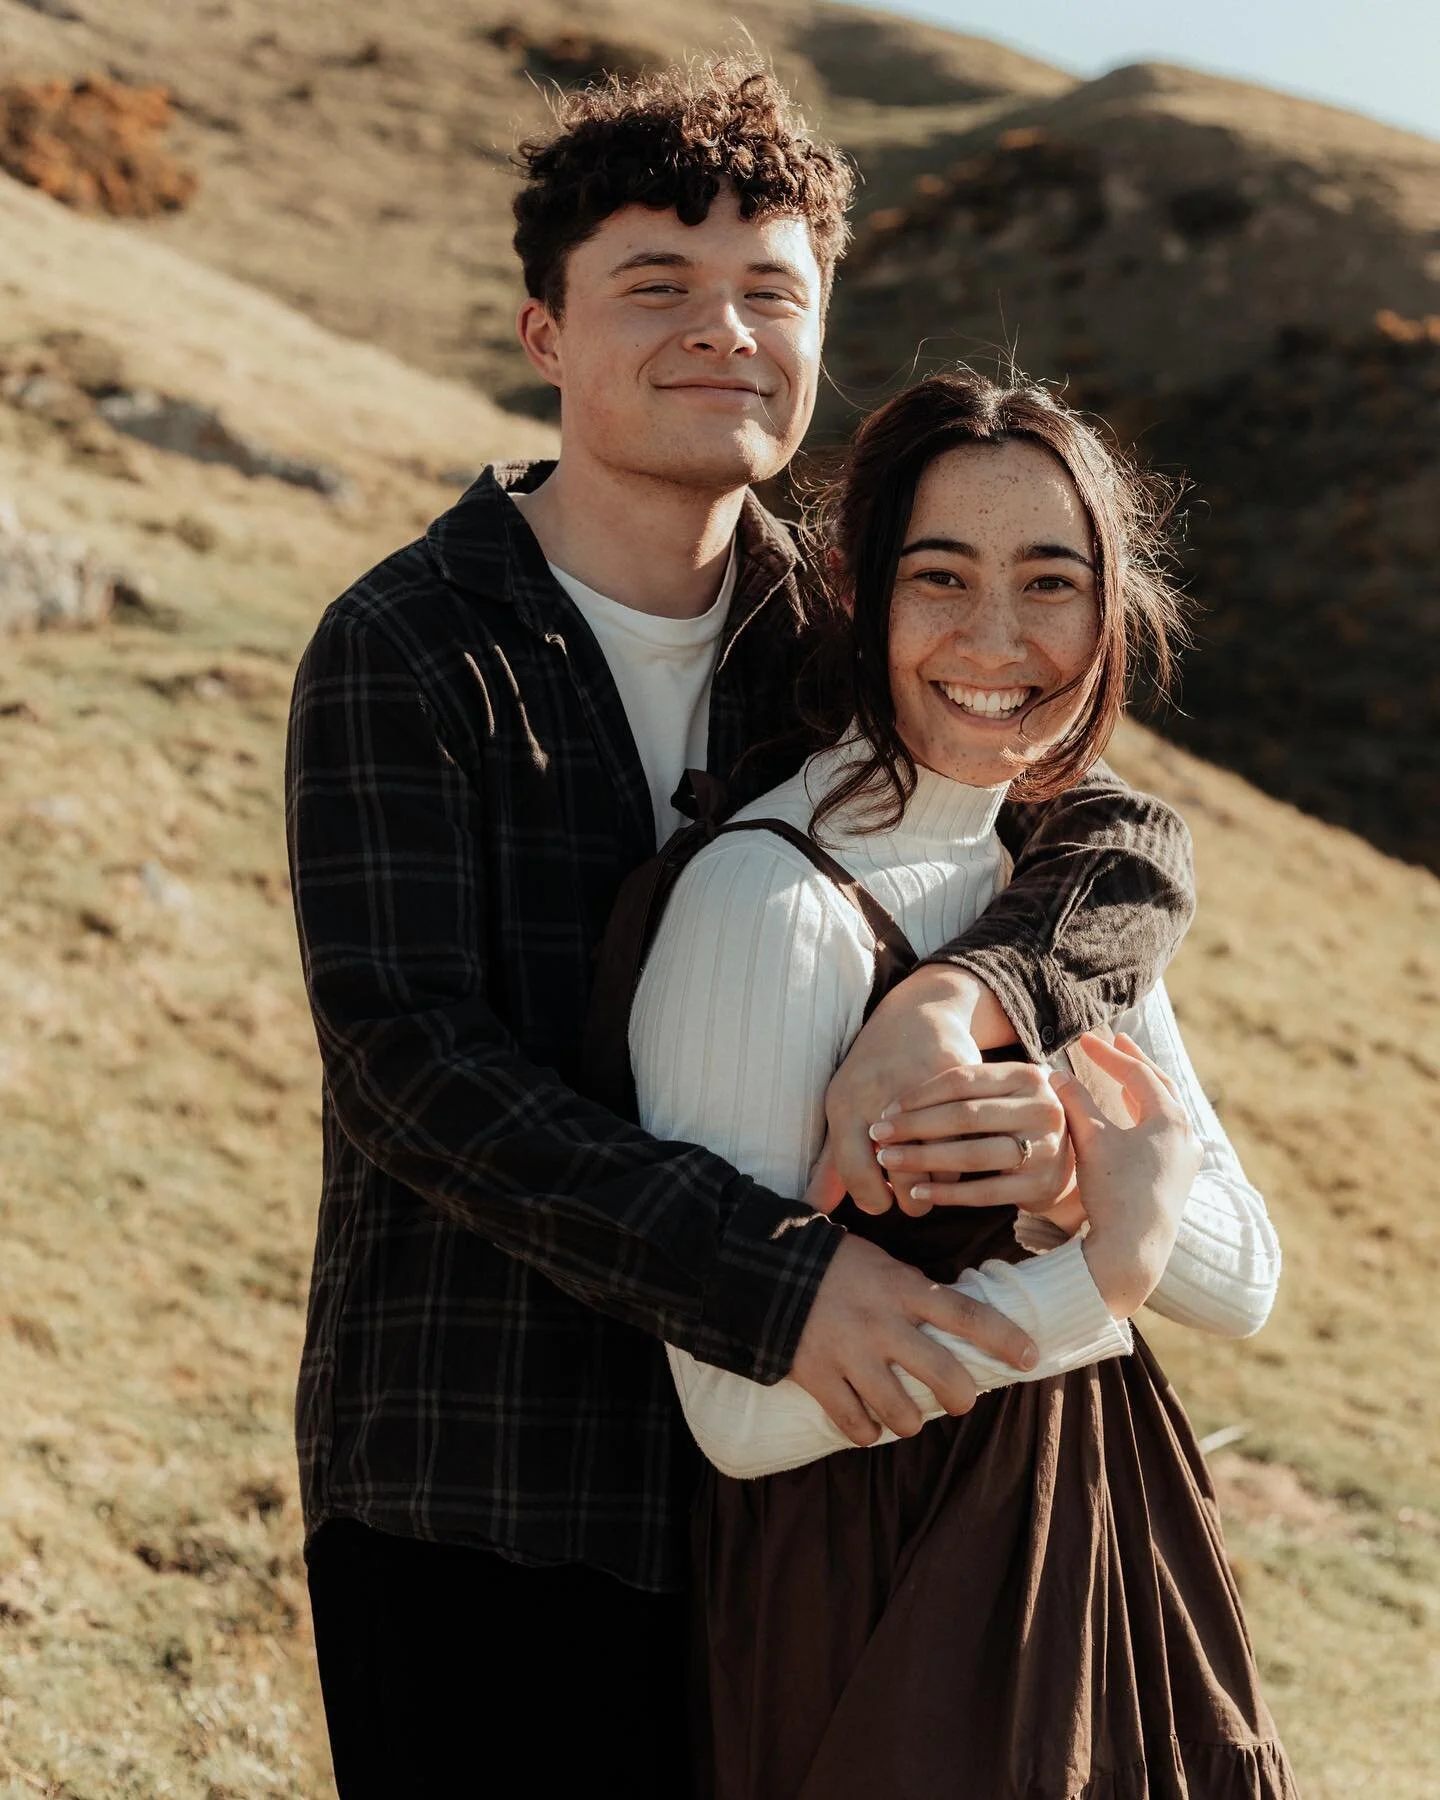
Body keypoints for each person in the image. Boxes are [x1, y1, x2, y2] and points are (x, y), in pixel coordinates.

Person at [285, 64, 1198, 1798]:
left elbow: (1114, 831)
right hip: (489, 1468)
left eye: (772, 292)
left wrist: (967, 994)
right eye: (659, 288)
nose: (726, 332)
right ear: (546, 330)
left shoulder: (837, 637)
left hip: (797, 1495)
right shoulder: (407, 644)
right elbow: (410, 1061)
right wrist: (769, 1280)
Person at [623, 369, 1298, 1799]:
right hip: (878, 1613)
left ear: (1110, 612)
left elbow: (1242, 1277)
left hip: (1100, 1534)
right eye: (944, 577)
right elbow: (736, 1421)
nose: (999, 639)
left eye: (1051, 583)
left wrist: (1067, 1182)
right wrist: (1092, 1278)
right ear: (860, 595)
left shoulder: (1046, 893)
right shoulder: (769, 900)